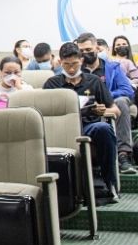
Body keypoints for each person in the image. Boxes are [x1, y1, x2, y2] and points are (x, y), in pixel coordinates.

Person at [44, 42, 120, 201]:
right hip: (60, 130)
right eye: (66, 65)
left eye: (74, 64)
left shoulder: (94, 81)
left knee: (104, 129)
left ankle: (109, 184)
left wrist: (103, 111)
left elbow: (115, 110)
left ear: (81, 61)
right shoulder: (52, 84)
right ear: (60, 63)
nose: (71, 69)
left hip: (88, 126)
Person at [75, 32, 136, 174]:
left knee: (121, 102)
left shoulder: (113, 67)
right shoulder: (76, 71)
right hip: (87, 108)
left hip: (113, 103)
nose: (85, 54)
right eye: (82, 51)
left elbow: (127, 90)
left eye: (89, 50)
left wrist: (105, 96)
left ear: (97, 48)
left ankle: (123, 155)